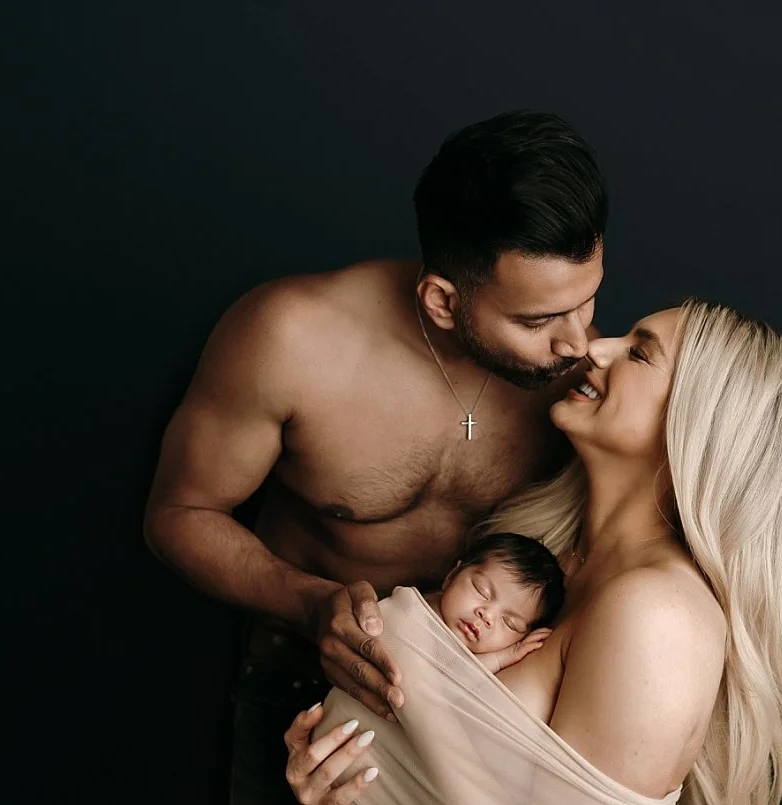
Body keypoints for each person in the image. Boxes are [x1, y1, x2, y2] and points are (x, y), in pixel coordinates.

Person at [141, 109, 608, 804]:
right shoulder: (291, 339)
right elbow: (178, 514)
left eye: (588, 301)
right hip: (309, 681)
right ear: (442, 301)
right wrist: (311, 603)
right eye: (538, 320)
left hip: (494, 698)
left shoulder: (583, 381)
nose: (579, 342)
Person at [282, 299, 782, 805]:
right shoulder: (542, 551)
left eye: (638, 353)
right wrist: (333, 783)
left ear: (699, 423)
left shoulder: (660, 615)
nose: (594, 348)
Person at [424, 531, 564, 674]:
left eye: (510, 623)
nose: (487, 616)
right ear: (453, 574)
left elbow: (454, 675)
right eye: (481, 591)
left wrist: (503, 657)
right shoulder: (416, 607)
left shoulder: (471, 662)